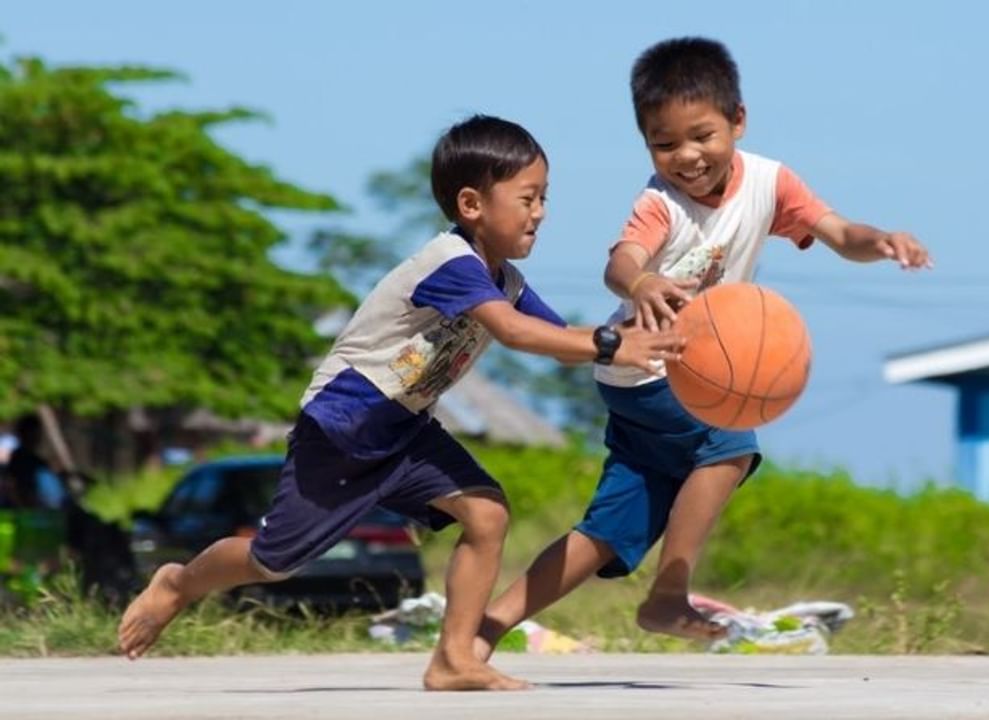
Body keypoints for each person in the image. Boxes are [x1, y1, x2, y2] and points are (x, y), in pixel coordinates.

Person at [117, 115, 684, 691]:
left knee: (487, 516)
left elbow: (561, 340)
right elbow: (517, 335)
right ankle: (177, 583)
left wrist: (653, 329)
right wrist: (614, 344)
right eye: (528, 198)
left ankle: (453, 659)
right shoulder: (452, 264)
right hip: (344, 427)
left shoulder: (503, 280)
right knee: (273, 561)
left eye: (545, 198)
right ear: (472, 204)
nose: (540, 212)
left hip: (406, 429)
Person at [476, 37, 932, 654]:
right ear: (647, 146)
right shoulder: (659, 204)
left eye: (702, 136)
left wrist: (880, 241)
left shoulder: (771, 182)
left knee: (610, 530)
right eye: (665, 145)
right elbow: (621, 263)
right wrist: (642, 282)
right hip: (647, 368)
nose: (686, 157)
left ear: (738, 121)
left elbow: (837, 232)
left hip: (661, 378)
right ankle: (669, 593)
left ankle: (483, 630)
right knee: (729, 441)